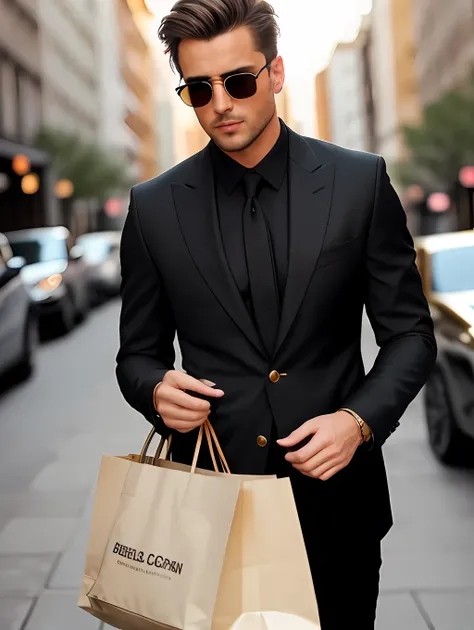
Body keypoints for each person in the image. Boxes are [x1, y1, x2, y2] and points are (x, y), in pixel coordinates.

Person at [116, 0, 437, 627]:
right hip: (211, 502)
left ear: (277, 73)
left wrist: (358, 421)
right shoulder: (154, 208)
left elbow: (410, 336)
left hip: (337, 503)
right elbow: (137, 354)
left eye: (238, 81)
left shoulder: (359, 182)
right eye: (198, 90)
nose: (221, 105)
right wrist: (154, 389)